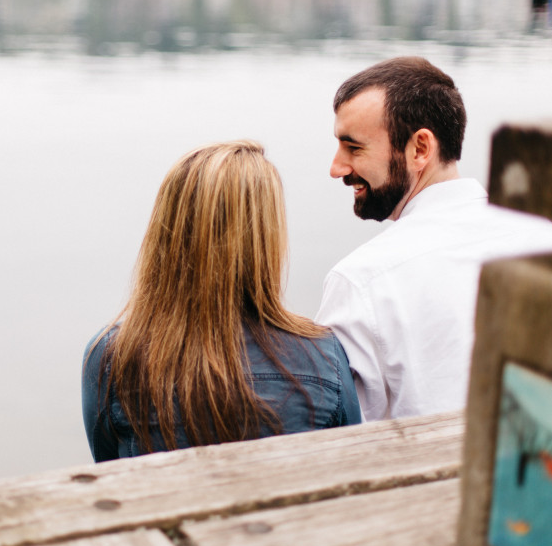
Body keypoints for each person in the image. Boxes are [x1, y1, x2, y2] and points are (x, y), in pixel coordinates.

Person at [316, 56, 552, 422]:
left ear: (420, 148)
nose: (336, 167)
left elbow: (338, 436)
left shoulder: (360, 281)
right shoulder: (548, 238)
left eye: (353, 148)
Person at [83, 140, 361, 462]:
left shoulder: (112, 357)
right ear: (265, 237)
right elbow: (347, 461)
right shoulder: (322, 355)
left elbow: (108, 467)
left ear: (167, 232)